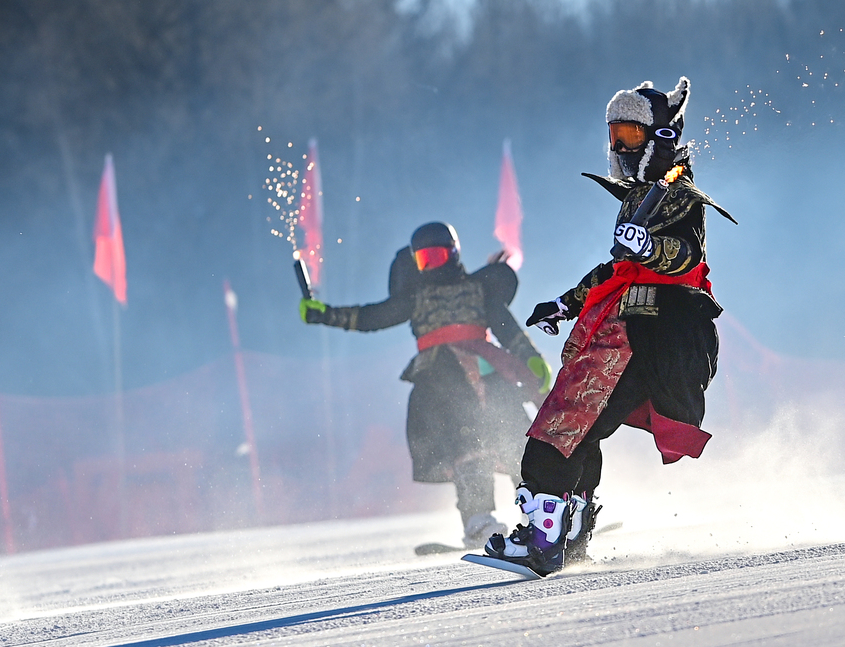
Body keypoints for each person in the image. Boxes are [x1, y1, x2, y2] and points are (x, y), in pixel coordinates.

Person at [483, 77, 738, 575]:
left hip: (649, 335)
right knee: (584, 429)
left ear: (661, 137)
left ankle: (543, 537)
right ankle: (571, 529)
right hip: (627, 330)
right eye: (615, 134)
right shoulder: (639, 197)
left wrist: (649, 247)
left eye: (632, 135)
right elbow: (617, 270)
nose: (620, 147)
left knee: (563, 423)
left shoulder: (681, 197)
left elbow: (686, 255)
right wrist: (565, 302)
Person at [300, 222, 552, 548]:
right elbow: (373, 317)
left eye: (437, 256)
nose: (431, 266)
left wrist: (529, 356)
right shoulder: (415, 297)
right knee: (466, 447)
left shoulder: (479, 288)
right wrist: (325, 315)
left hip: (489, 373)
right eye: (423, 260)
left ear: (454, 253)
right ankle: (480, 521)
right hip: (442, 379)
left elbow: (508, 328)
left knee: (520, 440)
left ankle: (545, 516)